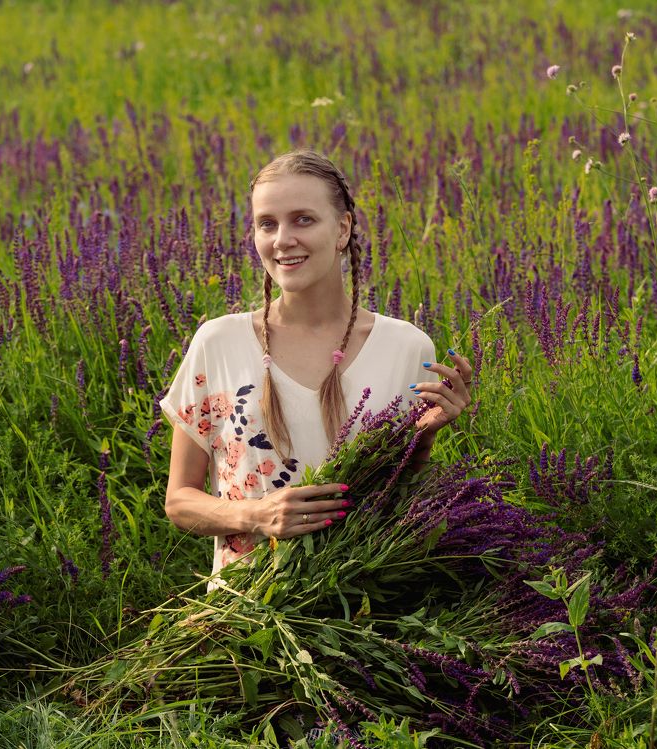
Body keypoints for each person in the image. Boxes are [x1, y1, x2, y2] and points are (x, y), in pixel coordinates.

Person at [160, 149, 472, 580]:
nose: (282, 239)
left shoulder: (405, 348)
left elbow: (401, 496)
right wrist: (257, 514)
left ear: (342, 228)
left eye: (303, 219)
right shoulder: (219, 344)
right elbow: (179, 501)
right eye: (267, 224)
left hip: (367, 604)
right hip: (247, 610)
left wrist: (424, 436)